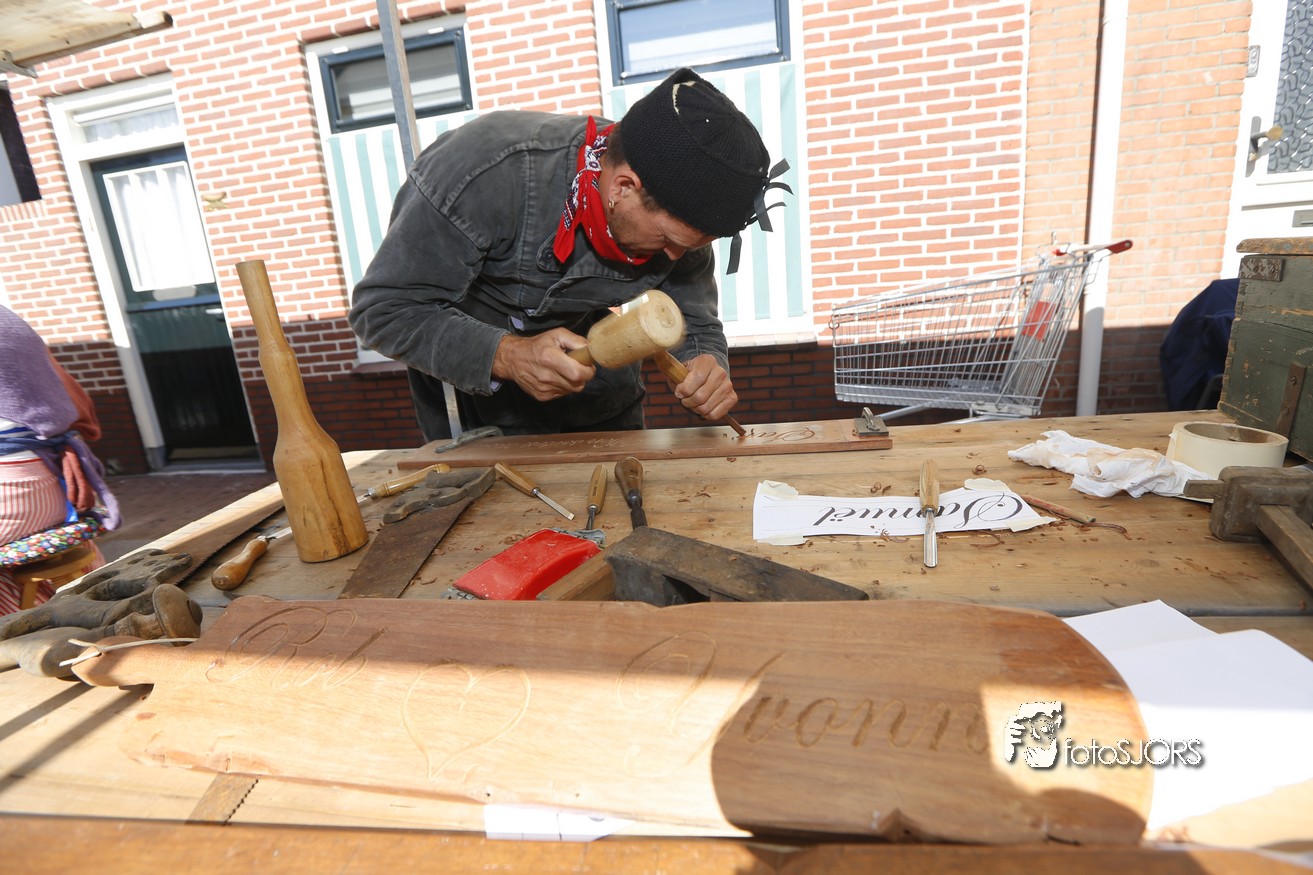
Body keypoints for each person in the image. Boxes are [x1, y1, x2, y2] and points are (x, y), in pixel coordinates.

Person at [349, 67, 788, 439]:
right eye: (667, 240)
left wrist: (704, 363)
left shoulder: (682, 205)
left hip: (598, 398)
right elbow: (383, 311)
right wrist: (507, 355)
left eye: (691, 246)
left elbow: (694, 321)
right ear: (623, 188)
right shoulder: (484, 173)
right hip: (478, 410)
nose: (674, 258)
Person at [0, 304, 121, 613]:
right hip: (56, 486)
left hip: (9, 493)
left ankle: (26, 626)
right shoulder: (7, 317)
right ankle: (86, 608)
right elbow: (78, 406)